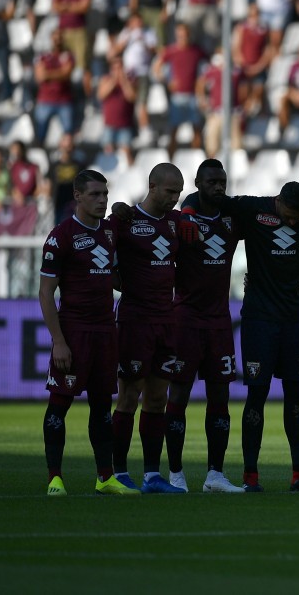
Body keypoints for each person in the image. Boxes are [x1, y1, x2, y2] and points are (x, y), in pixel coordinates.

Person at [201, 181, 299, 492]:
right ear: (277, 201)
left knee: (296, 396)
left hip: (295, 320)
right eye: (288, 215)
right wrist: (191, 208)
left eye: (297, 217)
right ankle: (250, 476)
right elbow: (207, 195)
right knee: (256, 396)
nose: (291, 222)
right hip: (259, 319)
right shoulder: (252, 208)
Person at [39, 169, 138, 496]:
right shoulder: (61, 235)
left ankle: (105, 477)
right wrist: (59, 342)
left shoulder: (110, 232)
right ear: (77, 197)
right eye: (94, 194)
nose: (101, 200)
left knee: (101, 406)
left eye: (104, 194)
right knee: (59, 404)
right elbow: (45, 293)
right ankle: (55, 477)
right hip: (75, 332)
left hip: (105, 332)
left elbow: (113, 273)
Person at [109, 163, 198, 493]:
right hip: (134, 320)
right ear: (152, 186)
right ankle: (118, 474)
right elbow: (105, 262)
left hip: (166, 320)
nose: (175, 198)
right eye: (170, 191)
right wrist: (128, 287)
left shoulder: (177, 223)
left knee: (158, 398)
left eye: (178, 192)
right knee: (129, 395)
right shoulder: (125, 221)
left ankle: (151, 476)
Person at [164, 160, 244, 493]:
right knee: (178, 395)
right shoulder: (181, 222)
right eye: (212, 181)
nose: (218, 187)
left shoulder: (231, 219)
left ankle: (215, 474)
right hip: (186, 319)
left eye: (222, 181)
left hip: (219, 321)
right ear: (198, 183)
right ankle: (176, 472)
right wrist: (187, 210)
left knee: (220, 398)